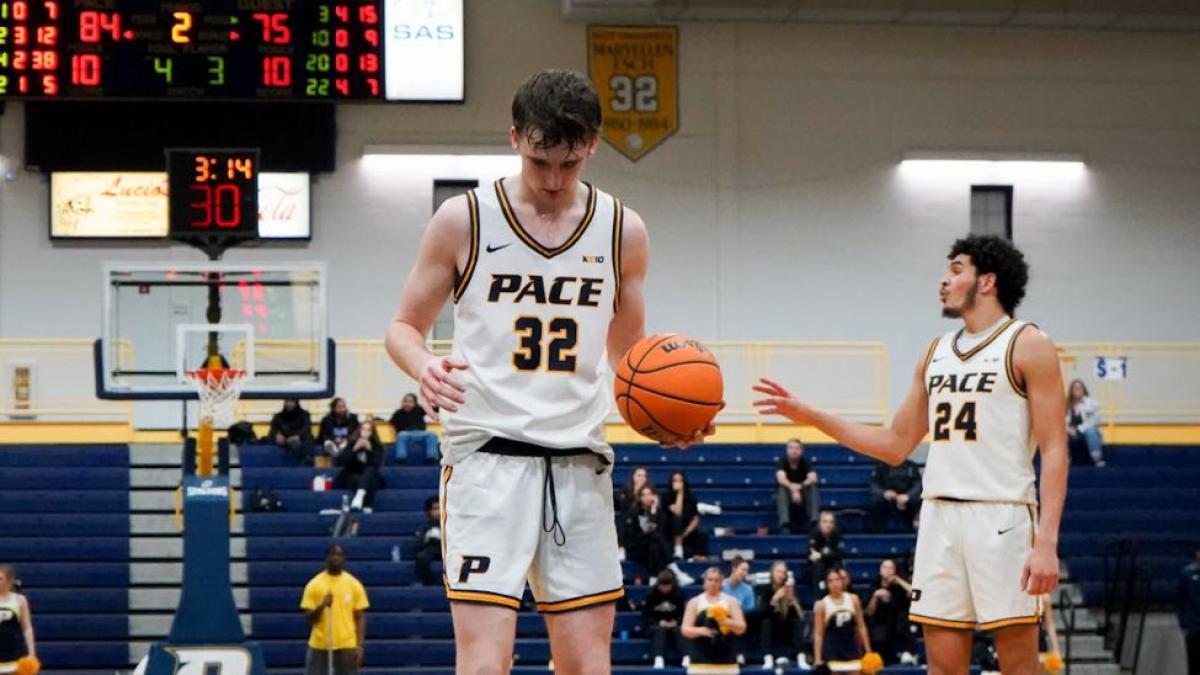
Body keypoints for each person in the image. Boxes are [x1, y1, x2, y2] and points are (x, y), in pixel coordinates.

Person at [384, 69, 714, 671]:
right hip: (486, 459)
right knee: (485, 661)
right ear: (515, 139)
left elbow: (628, 358)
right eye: (541, 162)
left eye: (570, 163)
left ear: (592, 144)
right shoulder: (465, 219)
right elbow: (403, 327)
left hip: (578, 462)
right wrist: (424, 365)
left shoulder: (623, 230)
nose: (556, 180)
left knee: (589, 663)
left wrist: (667, 417)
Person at [755, 234, 1068, 674]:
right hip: (939, 516)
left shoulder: (1028, 344)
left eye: (957, 269)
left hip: (1003, 517)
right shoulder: (935, 353)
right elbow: (895, 444)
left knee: (1018, 665)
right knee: (941, 667)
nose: (944, 279)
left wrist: (1047, 542)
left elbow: (1055, 449)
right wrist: (810, 415)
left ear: (987, 282)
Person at [300, 545, 369, 675]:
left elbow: (360, 617)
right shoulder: (314, 584)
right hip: (320, 644)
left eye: (339, 555)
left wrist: (359, 646)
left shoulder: (353, 584)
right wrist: (322, 605)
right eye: (332, 555)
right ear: (326, 558)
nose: (335, 558)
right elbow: (309, 618)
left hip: (346, 644)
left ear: (344, 559)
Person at [682, 567, 747, 674]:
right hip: (700, 661)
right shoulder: (694, 602)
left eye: (716, 580)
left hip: (727, 660)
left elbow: (742, 628)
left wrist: (725, 621)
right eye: (710, 580)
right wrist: (702, 631)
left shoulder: (731, 602)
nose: (713, 583)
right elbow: (685, 629)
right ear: (704, 582)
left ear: (721, 582)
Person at [814, 568, 871, 674]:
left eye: (837, 580)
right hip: (832, 651)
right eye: (830, 581)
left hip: (852, 648)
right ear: (827, 584)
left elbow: (861, 626)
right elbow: (818, 634)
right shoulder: (821, 605)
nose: (834, 584)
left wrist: (868, 651)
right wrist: (818, 660)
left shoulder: (854, 599)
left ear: (842, 581)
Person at [757, 560, 808, 670]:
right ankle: (768, 657)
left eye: (783, 572)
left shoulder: (790, 590)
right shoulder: (765, 589)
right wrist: (774, 599)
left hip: (786, 625)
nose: (780, 575)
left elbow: (798, 615)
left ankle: (801, 656)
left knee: (797, 623)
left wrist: (790, 601)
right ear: (772, 573)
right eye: (778, 571)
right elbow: (762, 613)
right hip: (771, 625)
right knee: (766, 623)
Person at [865, 559, 915, 665]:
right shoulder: (874, 586)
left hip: (897, 625)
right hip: (879, 626)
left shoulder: (899, 587)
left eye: (891, 568)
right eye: (884, 567)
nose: (887, 570)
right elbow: (869, 612)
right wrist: (875, 596)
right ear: (880, 570)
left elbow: (914, 594)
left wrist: (899, 580)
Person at [332, 418, 385, 512]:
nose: (365, 432)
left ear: (372, 433)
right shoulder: (351, 443)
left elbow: (377, 464)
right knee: (360, 479)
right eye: (363, 429)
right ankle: (367, 506)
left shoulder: (377, 446)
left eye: (368, 430)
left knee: (371, 472)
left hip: (369, 475)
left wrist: (369, 450)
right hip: (352, 474)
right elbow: (342, 462)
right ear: (359, 430)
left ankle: (360, 496)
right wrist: (355, 449)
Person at [623, 485, 675, 579]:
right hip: (636, 548)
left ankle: (654, 578)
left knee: (653, 547)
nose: (647, 497)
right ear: (640, 498)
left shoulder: (658, 512)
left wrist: (653, 510)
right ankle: (673, 567)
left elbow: (660, 530)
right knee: (655, 537)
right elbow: (631, 537)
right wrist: (646, 533)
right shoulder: (633, 512)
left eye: (649, 494)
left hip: (650, 547)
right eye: (644, 495)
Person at [643, 569, 687, 669]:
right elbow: (646, 616)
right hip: (656, 625)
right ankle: (659, 658)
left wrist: (676, 622)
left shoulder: (679, 593)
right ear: (658, 585)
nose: (665, 589)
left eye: (668, 586)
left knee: (680, 630)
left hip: (674, 624)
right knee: (659, 630)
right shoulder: (651, 594)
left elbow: (684, 614)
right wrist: (659, 622)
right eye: (663, 586)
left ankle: (686, 657)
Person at [775, 438, 819, 534]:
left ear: (801, 450)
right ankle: (784, 524)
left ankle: (814, 522)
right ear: (787, 450)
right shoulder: (782, 461)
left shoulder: (805, 461)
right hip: (787, 495)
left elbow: (813, 478)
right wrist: (792, 488)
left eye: (797, 448)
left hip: (802, 493)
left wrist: (799, 487)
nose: (794, 451)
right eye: (791, 448)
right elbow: (780, 478)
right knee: (782, 489)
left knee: (813, 488)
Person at [868, 459, 922, 533]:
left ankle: (917, 530)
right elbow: (873, 485)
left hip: (906, 498)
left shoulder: (911, 466)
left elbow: (918, 485)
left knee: (918, 501)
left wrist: (909, 496)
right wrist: (884, 493)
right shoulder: (881, 466)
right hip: (888, 499)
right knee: (876, 502)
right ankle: (877, 534)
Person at [0, 564, 36, 674]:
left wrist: (31, 654)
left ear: (9, 580)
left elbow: (27, 628)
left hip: (14, 655)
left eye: (0, 578)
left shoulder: (20, 600)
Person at [722, 556, 757, 665]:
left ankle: (739, 654)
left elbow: (749, 609)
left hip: (739, 619)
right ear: (734, 569)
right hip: (721, 617)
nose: (745, 573)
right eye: (743, 569)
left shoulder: (748, 589)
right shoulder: (721, 585)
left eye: (747, 571)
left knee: (741, 621)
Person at [668, 471, 709, 560]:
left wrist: (685, 533)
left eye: (680, 481)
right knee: (676, 520)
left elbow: (695, 518)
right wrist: (679, 494)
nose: (678, 483)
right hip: (671, 532)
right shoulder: (666, 496)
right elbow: (678, 513)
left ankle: (699, 556)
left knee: (702, 533)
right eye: (675, 480)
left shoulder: (691, 497)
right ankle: (678, 549)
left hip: (686, 531)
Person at [390, 392, 439, 465]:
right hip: (406, 435)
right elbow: (391, 422)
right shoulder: (398, 413)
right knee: (401, 435)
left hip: (421, 434)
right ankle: (401, 458)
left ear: (415, 403)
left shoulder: (419, 409)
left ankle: (431, 457)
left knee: (432, 435)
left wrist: (435, 401)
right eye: (405, 401)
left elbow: (435, 409)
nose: (407, 403)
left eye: (410, 402)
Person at [1066, 379, 1104, 466]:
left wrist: (1078, 429)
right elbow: (1061, 422)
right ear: (1071, 391)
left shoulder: (1091, 403)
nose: (1077, 390)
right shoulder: (1066, 405)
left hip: (1085, 431)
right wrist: (1068, 429)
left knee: (1091, 431)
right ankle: (1065, 460)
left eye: (1080, 388)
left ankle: (1097, 460)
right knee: (1059, 433)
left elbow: (1096, 420)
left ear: (1084, 390)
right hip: (1070, 432)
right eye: (1075, 388)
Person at [270, 398, 314, 465]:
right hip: (284, 441)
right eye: (287, 401)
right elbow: (273, 430)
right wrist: (277, 436)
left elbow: (306, 429)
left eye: (292, 401)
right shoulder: (278, 417)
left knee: (304, 442)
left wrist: (298, 436)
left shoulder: (305, 415)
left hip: (301, 440)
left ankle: (305, 461)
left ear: (296, 403)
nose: (289, 404)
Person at [809, 511, 845, 591]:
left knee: (841, 571)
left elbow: (839, 554)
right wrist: (827, 555)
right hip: (816, 568)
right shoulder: (814, 533)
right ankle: (819, 595)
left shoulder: (837, 534)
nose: (828, 525)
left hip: (832, 564)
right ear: (820, 523)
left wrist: (821, 555)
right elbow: (811, 554)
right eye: (825, 522)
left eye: (830, 522)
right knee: (818, 566)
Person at [1180, 547, 1200, 675]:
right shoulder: (1186, 574)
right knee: (1193, 663)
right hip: (1194, 626)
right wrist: (1184, 622)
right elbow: (1180, 600)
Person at [414, 497, 442, 586]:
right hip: (431, 548)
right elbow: (418, 544)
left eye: (440, 508)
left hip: (446, 549)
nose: (438, 512)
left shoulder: (450, 525)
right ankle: (428, 583)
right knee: (421, 557)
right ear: (429, 511)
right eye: (435, 509)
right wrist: (426, 538)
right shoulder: (425, 527)